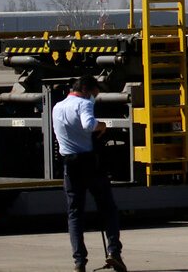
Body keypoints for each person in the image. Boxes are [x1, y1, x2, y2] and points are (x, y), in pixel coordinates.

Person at [51, 75, 128, 272]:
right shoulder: (83, 104)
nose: (94, 97)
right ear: (86, 89)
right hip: (89, 163)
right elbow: (88, 125)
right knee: (108, 208)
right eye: (94, 93)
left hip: (69, 164)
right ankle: (113, 252)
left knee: (75, 213)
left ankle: (79, 260)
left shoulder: (57, 107)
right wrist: (101, 125)